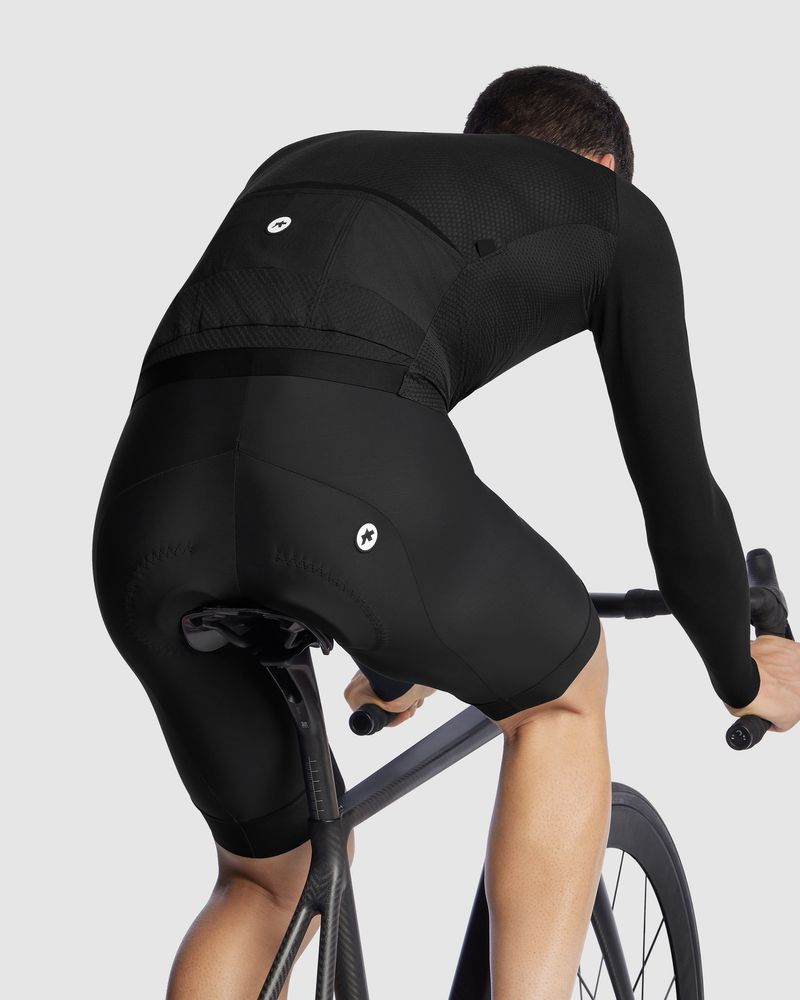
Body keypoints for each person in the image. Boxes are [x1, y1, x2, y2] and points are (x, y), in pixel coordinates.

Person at [91, 65, 800, 999]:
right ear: (599, 166)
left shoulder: (306, 158)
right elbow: (677, 492)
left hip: (143, 515)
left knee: (265, 878)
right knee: (563, 690)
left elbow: (282, 398)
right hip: (344, 491)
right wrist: (743, 672)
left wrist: (395, 665)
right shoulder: (613, 208)